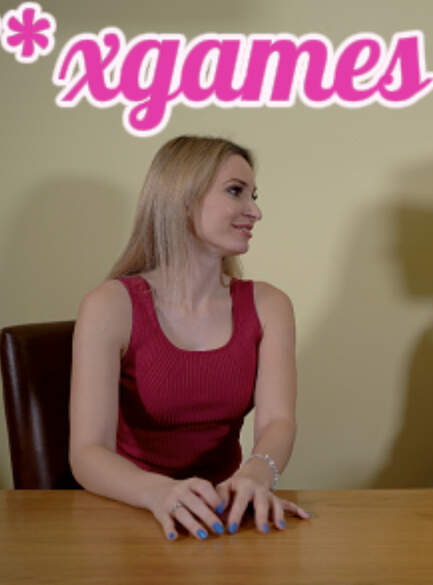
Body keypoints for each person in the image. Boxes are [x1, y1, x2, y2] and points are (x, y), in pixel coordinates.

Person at [69, 136, 309, 541]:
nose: (255, 211)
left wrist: (254, 476)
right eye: (235, 191)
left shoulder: (270, 305)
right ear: (182, 199)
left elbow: (278, 421)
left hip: (224, 515)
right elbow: (88, 452)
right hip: (132, 512)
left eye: (253, 196)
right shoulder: (109, 305)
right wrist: (158, 492)